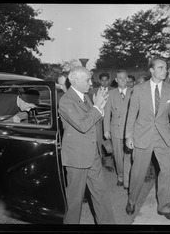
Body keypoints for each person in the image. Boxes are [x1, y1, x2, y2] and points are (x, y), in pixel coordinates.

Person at [125, 57, 170, 221]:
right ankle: (131, 200)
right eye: (161, 68)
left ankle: (163, 207)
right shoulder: (139, 89)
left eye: (165, 68)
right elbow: (132, 113)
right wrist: (129, 135)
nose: (164, 71)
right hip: (142, 135)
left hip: (164, 137)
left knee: (167, 171)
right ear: (151, 70)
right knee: (138, 173)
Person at [58, 66, 115, 224]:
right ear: (74, 80)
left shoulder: (86, 96)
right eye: (88, 80)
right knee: (74, 202)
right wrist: (97, 107)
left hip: (93, 154)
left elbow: (94, 121)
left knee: (101, 195)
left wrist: (100, 109)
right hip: (77, 157)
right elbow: (83, 125)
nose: (91, 83)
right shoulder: (66, 100)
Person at [104, 70, 133, 190]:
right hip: (116, 129)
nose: (122, 80)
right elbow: (106, 114)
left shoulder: (134, 92)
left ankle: (126, 179)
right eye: (119, 78)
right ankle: (120, 175)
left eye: (124, 78)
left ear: (127, 79)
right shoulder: (110, 93)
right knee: (117, 156)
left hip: (130, 129)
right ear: (115, 80)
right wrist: (106, 130)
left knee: (128, 155)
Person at [89, 72, 115, 172]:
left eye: (106, 80)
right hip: (97, 121)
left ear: (109, 80)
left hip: (110, 120)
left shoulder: (114, 91)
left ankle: (109, 163)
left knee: (109, 144)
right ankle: (100, 163)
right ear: (99, 81)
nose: (104, 82)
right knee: (99, 142)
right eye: (102, 80)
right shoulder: (92, 91)